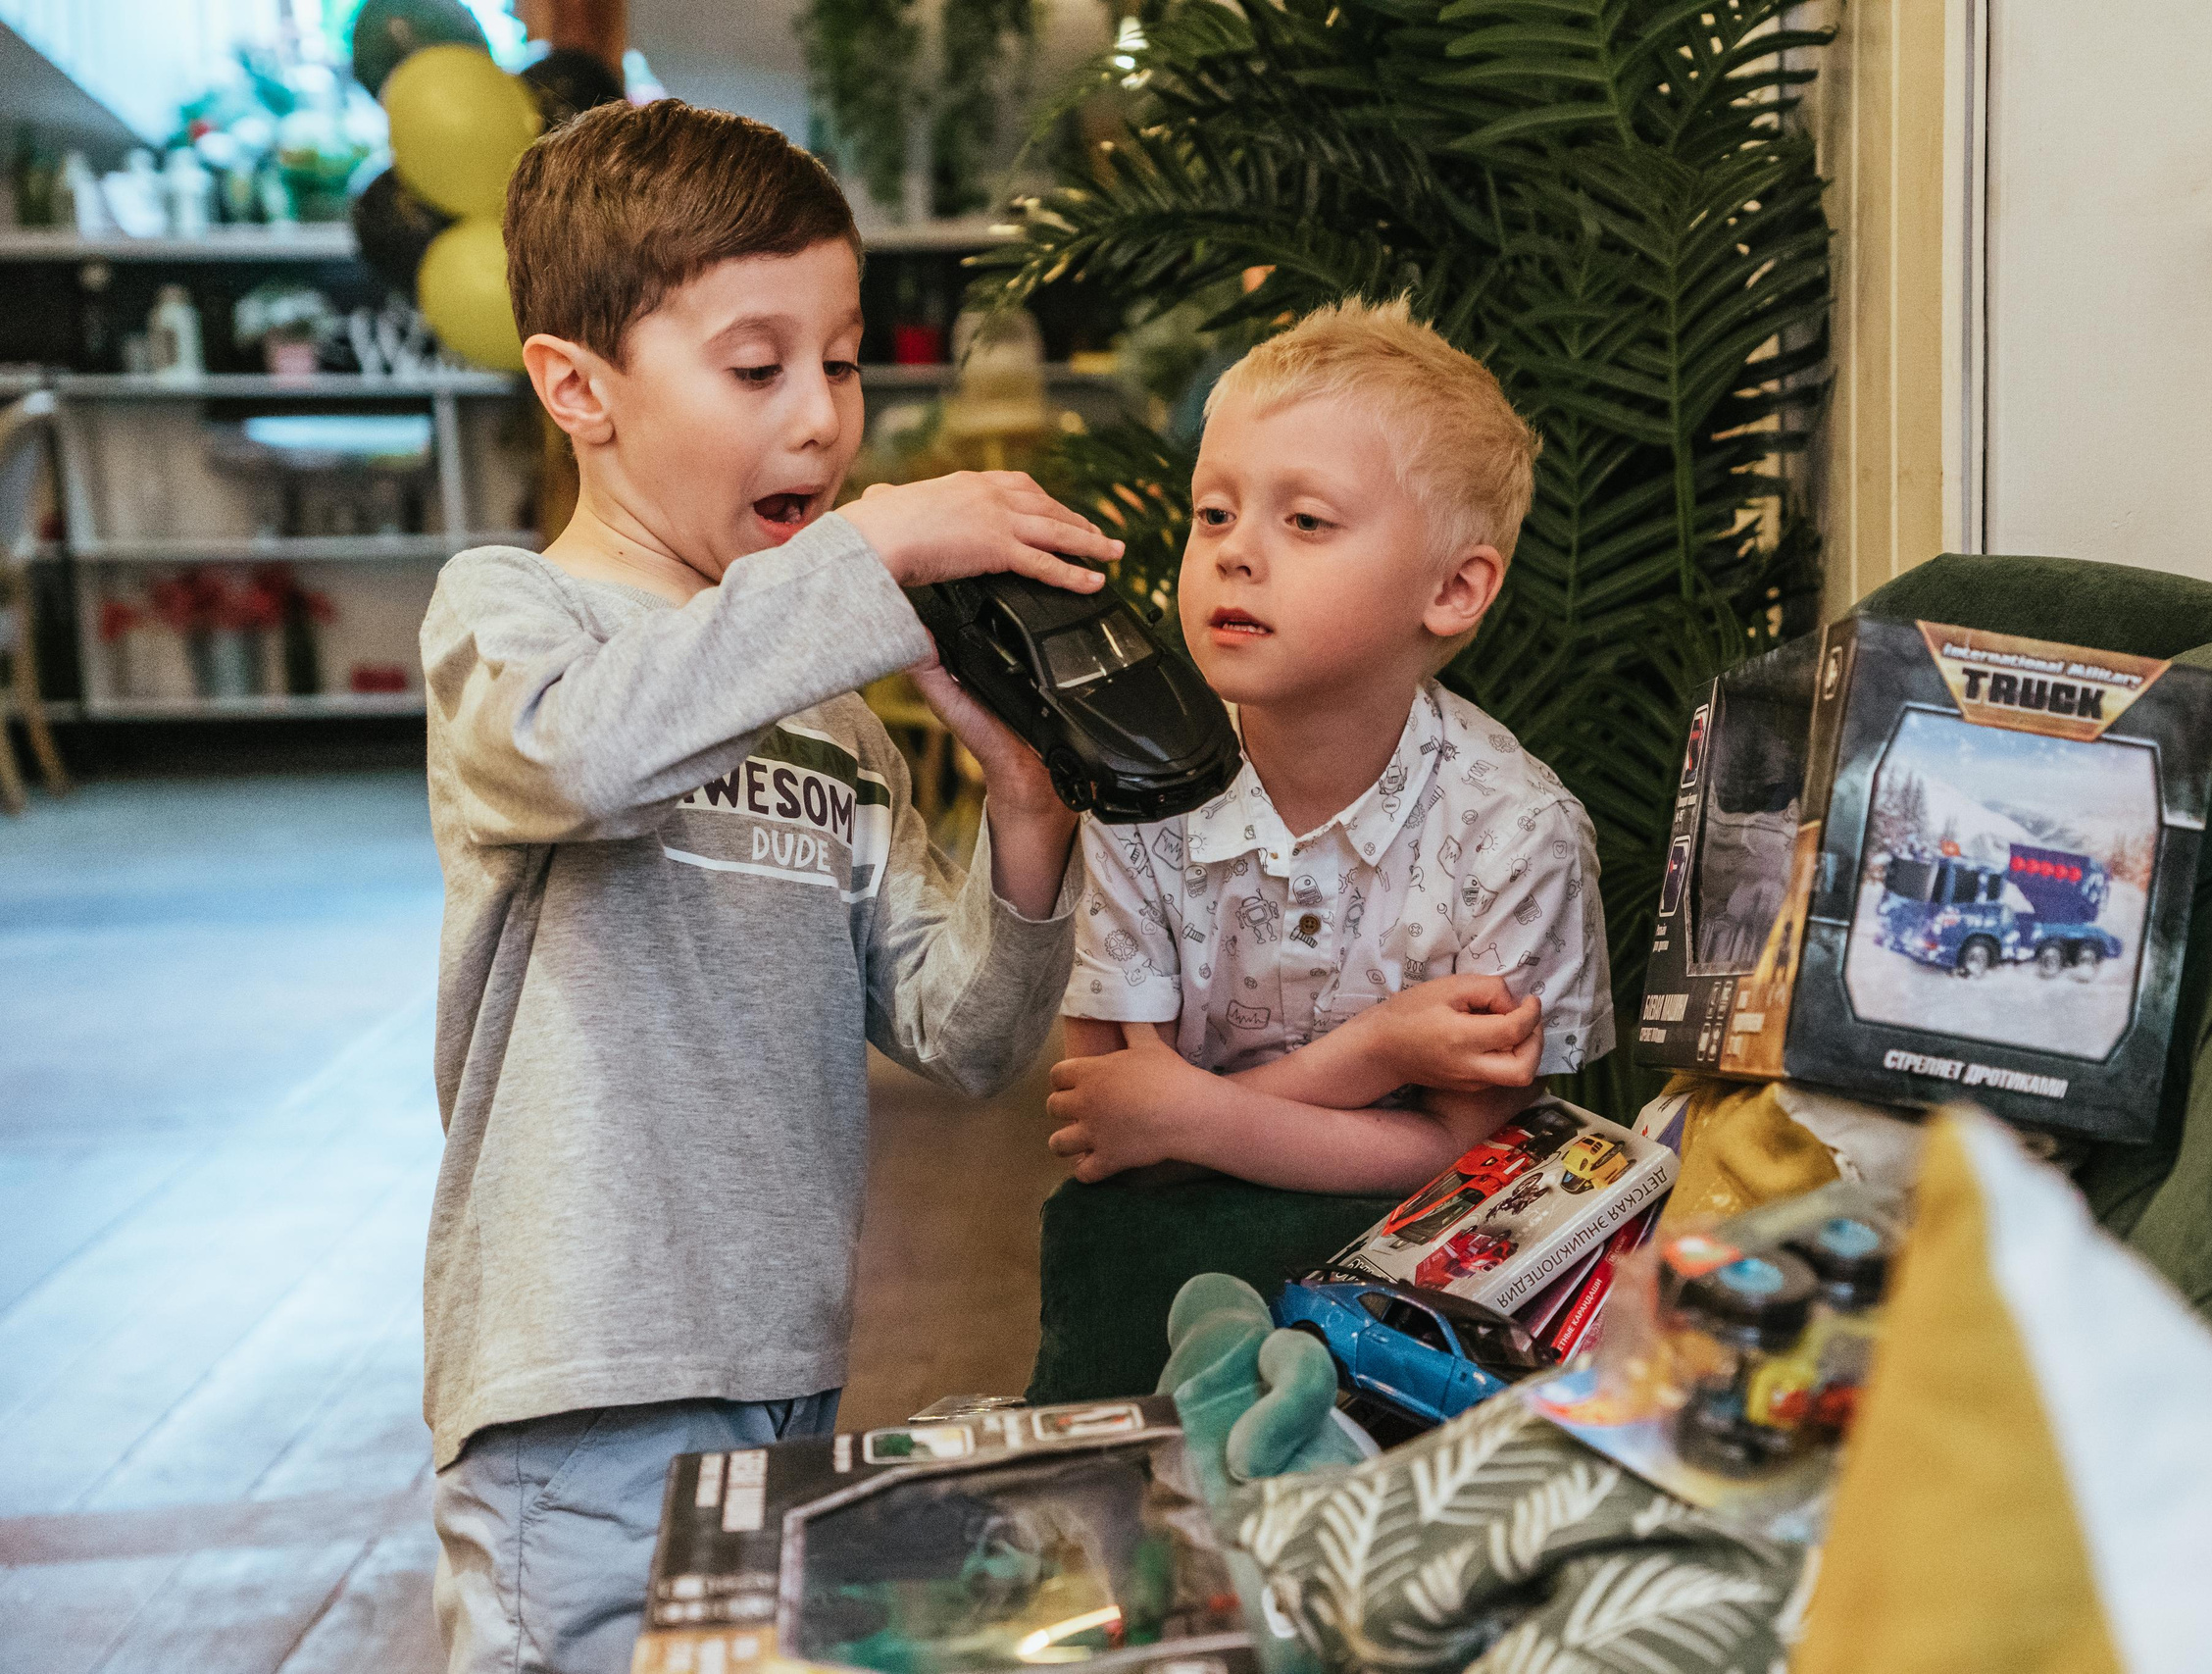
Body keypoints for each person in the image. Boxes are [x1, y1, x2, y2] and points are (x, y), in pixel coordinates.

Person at [419, 100, 1119, 1674]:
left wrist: (1026, 816)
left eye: (844, 359)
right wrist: (862, 560)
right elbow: (579, 760)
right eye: (757, 367)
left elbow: (969, 1032)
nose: (820, 418)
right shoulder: (513, 621)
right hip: (576, 1380)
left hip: (786, 1366)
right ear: (576, 388)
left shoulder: (831, 708)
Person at [1047, 296, 1613, 1192]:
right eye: (1213, 513)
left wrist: (1190, 1115)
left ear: (1456, 589)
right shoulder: (1132, 788)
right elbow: (1108, 1125)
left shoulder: (1519, 834)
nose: (1236, 552)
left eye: (1305, 520)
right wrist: (1381, 1052)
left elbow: (1471, 1158)